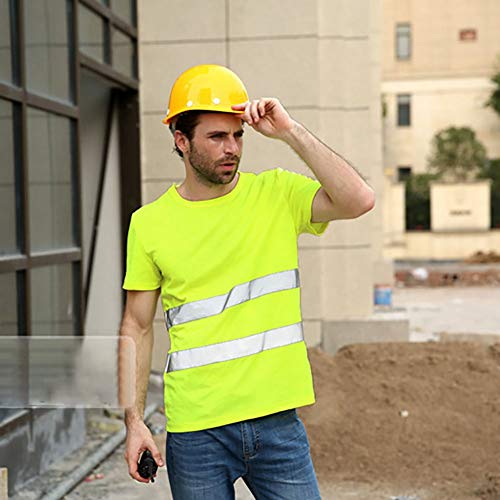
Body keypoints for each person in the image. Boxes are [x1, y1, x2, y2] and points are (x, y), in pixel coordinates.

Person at [119, 64, 375, 498]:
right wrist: (134, 421)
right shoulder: (149, 224)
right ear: (181, 141)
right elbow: (136, 327)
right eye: (217, 137)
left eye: (238, 135)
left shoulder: (276, 194)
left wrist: (291, 132)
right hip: (197, 431)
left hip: (278, 425)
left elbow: (359, 199)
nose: (232, 148)